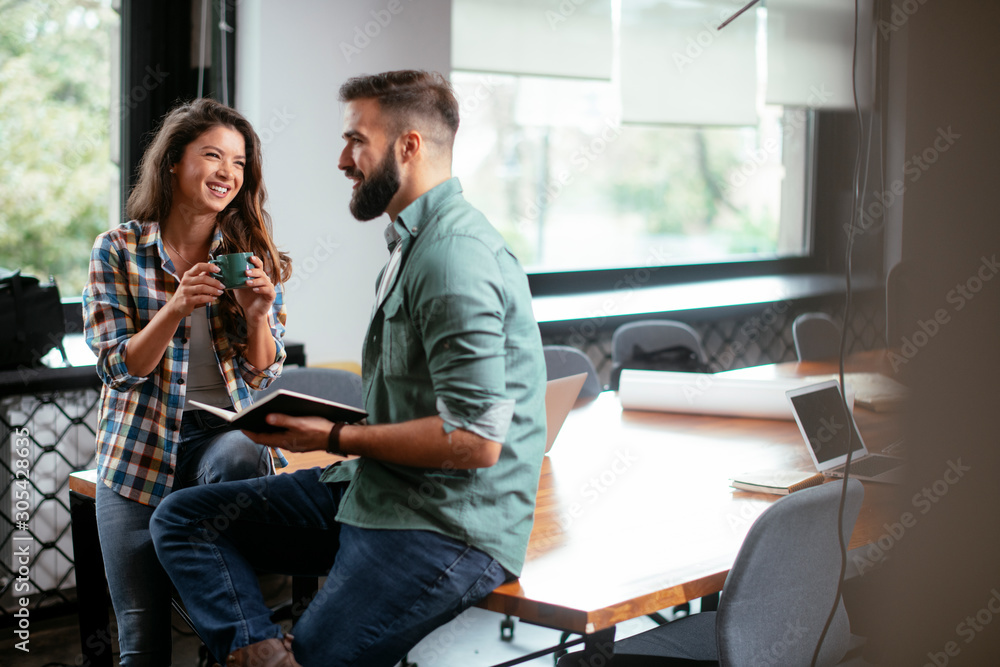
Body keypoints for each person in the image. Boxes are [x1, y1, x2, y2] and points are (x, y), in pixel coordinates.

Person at [150, 70, 547, 667]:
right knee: (185, 519)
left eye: (356, 139)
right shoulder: (412, 243)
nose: (342, 159)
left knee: (312, 654)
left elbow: (475, 439)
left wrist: (333, 435)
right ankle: (263, 654)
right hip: (379, 490)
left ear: (408, 146)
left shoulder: (452, 256)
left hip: (441, 527)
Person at [83, 97, 291, 666]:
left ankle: (237, 633)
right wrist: (174, 307)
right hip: (137, 455)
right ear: (174, 160)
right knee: (141, 644)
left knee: (241, 454)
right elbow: (117, 367)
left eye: (240, 162)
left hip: (221, 439)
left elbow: (262, 371)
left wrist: (255, 317)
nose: (229, 172)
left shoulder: (247, 255)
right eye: (213, 155)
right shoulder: (119, 250)